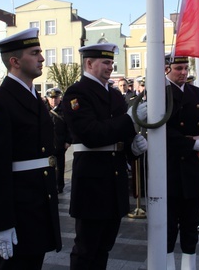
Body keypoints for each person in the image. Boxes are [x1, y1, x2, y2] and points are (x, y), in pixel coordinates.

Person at [0, 27, 62, 268]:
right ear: (14, 61)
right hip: (17, 210)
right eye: (35, 53)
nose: (42, 58)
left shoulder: (35, 98)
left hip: (38, 204)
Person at [62, 43, 148, 269]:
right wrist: (130, 120)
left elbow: (120, 133)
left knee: (104, 247)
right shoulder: (77, 93)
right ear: (89, 63)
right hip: (92, 180)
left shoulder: (115, 95)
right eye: (105, 62)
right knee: (86, 249)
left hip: (114, 178)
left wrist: (132, 148)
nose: (111, 67)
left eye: (111, 62)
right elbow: (91, 134)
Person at [164, 55, 199, 270]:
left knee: (190, 224)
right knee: (168, 226)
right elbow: (161, 130)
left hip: (192, 169)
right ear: (167, 69)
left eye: (185, 68)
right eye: (178, 68)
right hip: (170, 167)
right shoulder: (160, 93)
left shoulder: (196, 92)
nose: (183, 73)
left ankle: (189, 265)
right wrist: (191, 145)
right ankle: (167, 265)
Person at [45, 87, 71, 194]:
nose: (53, 100)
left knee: (60, 166)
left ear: (60, 98)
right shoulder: (44, 110)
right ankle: (49, 184)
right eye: (51, 98)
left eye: (55, 98)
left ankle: (59, 186)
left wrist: (68, 141)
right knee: (49, 165)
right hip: (48, 143)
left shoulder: (64, 110)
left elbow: (70, 126)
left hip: (60, 142)